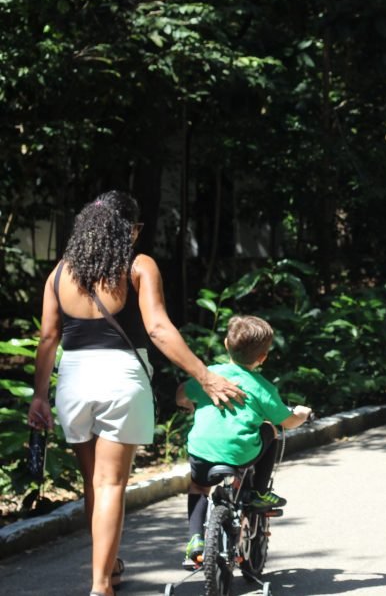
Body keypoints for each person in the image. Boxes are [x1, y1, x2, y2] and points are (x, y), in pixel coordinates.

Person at [27, 191, 245, 596]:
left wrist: (39, 397)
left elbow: (47, 338)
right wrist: (206, 375)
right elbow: (159, 329)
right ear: (129, 228)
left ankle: (108, 568)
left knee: (94, 483)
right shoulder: (138, 266)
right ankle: (100, 586)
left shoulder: (59, 273)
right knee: (110, 484)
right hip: (120, 379)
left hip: (72, 381)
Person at [176, 315, 311, 565]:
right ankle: (259, 491)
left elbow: (181, 393)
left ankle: (195, 540)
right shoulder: (262, 388)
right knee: (270, 429)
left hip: (201, 451)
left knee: (198, 488)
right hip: (240, 453)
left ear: (226, 344)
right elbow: (287, 422)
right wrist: (302, 414)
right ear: (263, 358)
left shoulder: (208, 376)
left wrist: (187, 405)